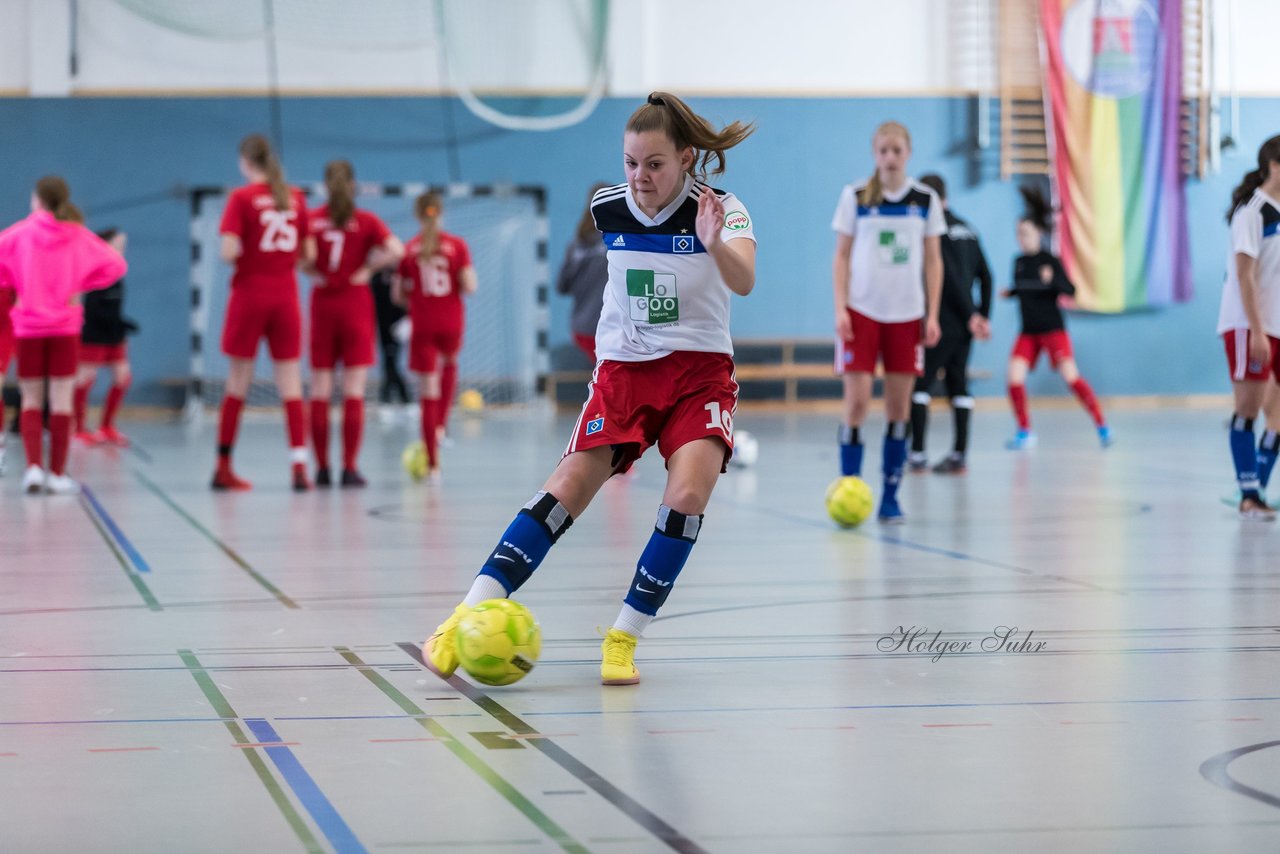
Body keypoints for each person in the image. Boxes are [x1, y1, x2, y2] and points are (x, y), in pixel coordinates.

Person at [420, 91, 755, 686]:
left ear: (683, 158)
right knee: (569, 485)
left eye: (654, 164)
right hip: (625, 372)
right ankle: (465, 613)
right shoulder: (608, 207)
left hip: (699, 372)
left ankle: (624, 636)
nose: (640, 176)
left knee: (687, 496)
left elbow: (745, 279)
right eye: (630, 162)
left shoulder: (724, 209)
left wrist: (711, 244)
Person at [832, 120, 943, 523]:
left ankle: (891, 496)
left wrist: (932, 314)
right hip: (862, 313)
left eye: (897, 150)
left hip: (906, 315)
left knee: (899, 409)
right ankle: (849, 486)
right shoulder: (856, 196)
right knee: (857, 404)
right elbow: (841, 256)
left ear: (908, 153)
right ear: (874, 153)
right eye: (883, 151)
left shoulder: (924, 199)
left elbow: (933, 260)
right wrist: (840, 308)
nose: (890, 158)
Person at [0, 176, 126, 493]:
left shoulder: (20, 233)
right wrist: (79, 282)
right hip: (64, 327)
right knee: (61, 401)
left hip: (28, 326)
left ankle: (32, 469)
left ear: (37, 200)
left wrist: (16, 280)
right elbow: (115, 265)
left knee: (31, 398)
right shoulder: (77, 236)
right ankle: (56, 474)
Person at [212, 133, 315, 491]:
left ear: (245, 162)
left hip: (250, 293)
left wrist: (250, 255)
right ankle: (299, 465)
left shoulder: (241, 198)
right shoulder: (295, 197)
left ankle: (223, 464)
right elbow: (309, 256)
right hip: (285, 293)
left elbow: (228, 251)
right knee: (290, 381)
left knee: (238, 380)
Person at [305, 160, 404, 487]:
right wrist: (369, 269)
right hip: (355, 303)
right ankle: (348, 468)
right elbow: (397, 250)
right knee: (353, 390)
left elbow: (300, 258)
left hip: (323, 302)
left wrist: (314, 272)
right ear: (353, 186)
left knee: (320, 388)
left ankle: (321, 468)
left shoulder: (313, 220)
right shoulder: (365, 221)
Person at [1003, 185, 1111, 451]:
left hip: (1053, 330)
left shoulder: (1050, 261)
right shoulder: (1018, 262)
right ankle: (1024, 431)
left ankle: (1101, 424)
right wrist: (1012, 292)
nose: (1021, 238)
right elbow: (1025, 288)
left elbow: (1069, 290)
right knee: (1014, 378)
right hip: (1028, 332)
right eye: (1018, 233)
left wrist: (1053, 282)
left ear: (1038, 233)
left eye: (1026, 233)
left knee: (1071, 378)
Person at [908, 174, 992, 474]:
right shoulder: (968, 228)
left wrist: (970, 315)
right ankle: (959, 454)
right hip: (965, 325)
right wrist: (982, 315)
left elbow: (951, 280)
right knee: (958, 385)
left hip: (942, 320)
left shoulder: (937, 228)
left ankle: (916, 453)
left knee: (921, 384)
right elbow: (987, 275)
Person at [1217, 134, 1280, 520]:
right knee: (1249, 408)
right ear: (1275, 166)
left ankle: (1256, 486)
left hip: (1276, 325)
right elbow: (1245, 276)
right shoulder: (1252, 212)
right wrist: (1257, 330)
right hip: (1248, 326)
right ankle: (1248, 495)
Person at [394, 190, 476, 480]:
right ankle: (441, 425)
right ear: (441, 213)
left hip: (424, 322)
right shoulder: (457, 245)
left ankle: (433, 466)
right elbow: (469, 285)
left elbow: (398, 294)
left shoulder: (410, 250)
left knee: (427, 390)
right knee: (450, 363)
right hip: (451, 320)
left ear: (418, 215)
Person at [73, 227, 137, 447]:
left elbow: (113, 309)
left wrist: (122, 324)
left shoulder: (118, 272)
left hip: (114, 336)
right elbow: (92, 309)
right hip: (93, 335)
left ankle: (107, 426)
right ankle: (78, 428)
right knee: (84, 379)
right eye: (117, 244)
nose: (121, 249)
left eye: (123, 245)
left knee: (122, 377)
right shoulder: (93, 272)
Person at [557, 182, 610, 363]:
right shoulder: (618, 243)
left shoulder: (577, 242)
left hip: (581, 327)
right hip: (607, 327)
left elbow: (562, 286)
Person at [371, 267, 412, 418]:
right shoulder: (374, 274)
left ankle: (394, 399)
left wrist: (407, 317)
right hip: (381, 325)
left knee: (391, 361)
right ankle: (400, 400)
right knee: (389, 361)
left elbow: (404, 297)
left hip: (397, 325)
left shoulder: (398, 271)